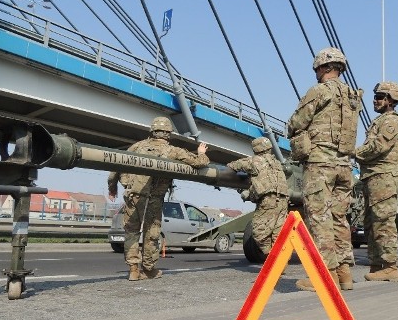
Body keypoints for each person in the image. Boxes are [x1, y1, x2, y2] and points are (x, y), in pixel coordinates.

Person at [287, 47, 363, 291]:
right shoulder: (352, 96)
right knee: (339, 218)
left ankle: (324, 275)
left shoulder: (319, 91)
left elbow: (296, 122)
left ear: (321, 67)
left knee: (319, 217)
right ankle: (344, 273)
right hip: (344, 166)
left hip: (321, 163)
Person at [107, 117, 209, 281]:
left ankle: (133, 269)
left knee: (131, 232)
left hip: (134, 196)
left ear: (152, 131)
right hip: (155, 198)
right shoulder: (174, 151)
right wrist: (201, 153)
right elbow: (199, 163)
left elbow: (117, 166)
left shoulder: (137, 146)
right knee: (152, 233)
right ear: (168, 133)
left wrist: (112, 188)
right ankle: (149, 269)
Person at [355, 82, 398, 281]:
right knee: (371, 222)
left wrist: (354, 153)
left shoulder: (392, 121)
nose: (374, 100)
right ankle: (377, 264)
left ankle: (391, 267)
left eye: (379, 97)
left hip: (384, 176)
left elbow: (378, 147)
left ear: (390, 100)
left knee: (383, 221)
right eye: (375, 96)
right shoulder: (380, 120)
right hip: (373, 176)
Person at [227, 137, 289, 257]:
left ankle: (272, 257)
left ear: (256, 149)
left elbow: (234, 165)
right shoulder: (276, 164)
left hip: (268, 201)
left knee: (258, 232)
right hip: (283, 201)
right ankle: (280, 262)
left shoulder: (255, 161)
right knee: (278, 235)